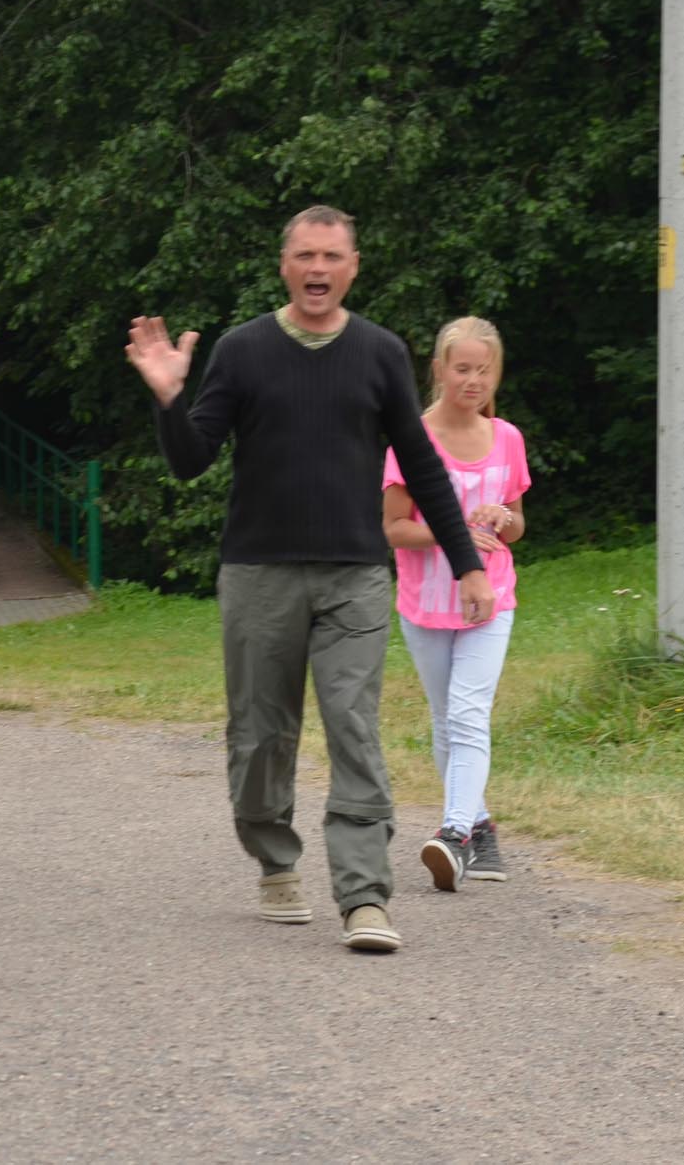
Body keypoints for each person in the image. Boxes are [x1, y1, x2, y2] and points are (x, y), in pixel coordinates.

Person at [125, 204, 492, 953]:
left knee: (353, 724)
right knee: (261, 732)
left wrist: (467, 563)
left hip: (354, 574)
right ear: (284, 265)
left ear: (352, 267)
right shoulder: (243, 350)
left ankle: (364, 896)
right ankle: (274, 859)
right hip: (258, 573)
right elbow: (191, 459)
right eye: (304, 255)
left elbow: (420, 465)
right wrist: (167, 398)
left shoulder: (380, 352)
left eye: (331, 256)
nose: (317, 268)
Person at [383, 316, 530, 891]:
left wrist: (502, 517)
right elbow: (394, 529)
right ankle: (481, 831)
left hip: (491, 599)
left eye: (484, 370)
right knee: (447, 719)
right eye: (462, 368)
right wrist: (455, 533)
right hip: (426, 601)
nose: (474, 380)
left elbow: (516, 527)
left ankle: (454, 835)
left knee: (468, 713)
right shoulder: (411, 439)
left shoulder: (508, 438)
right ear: (439, 370)